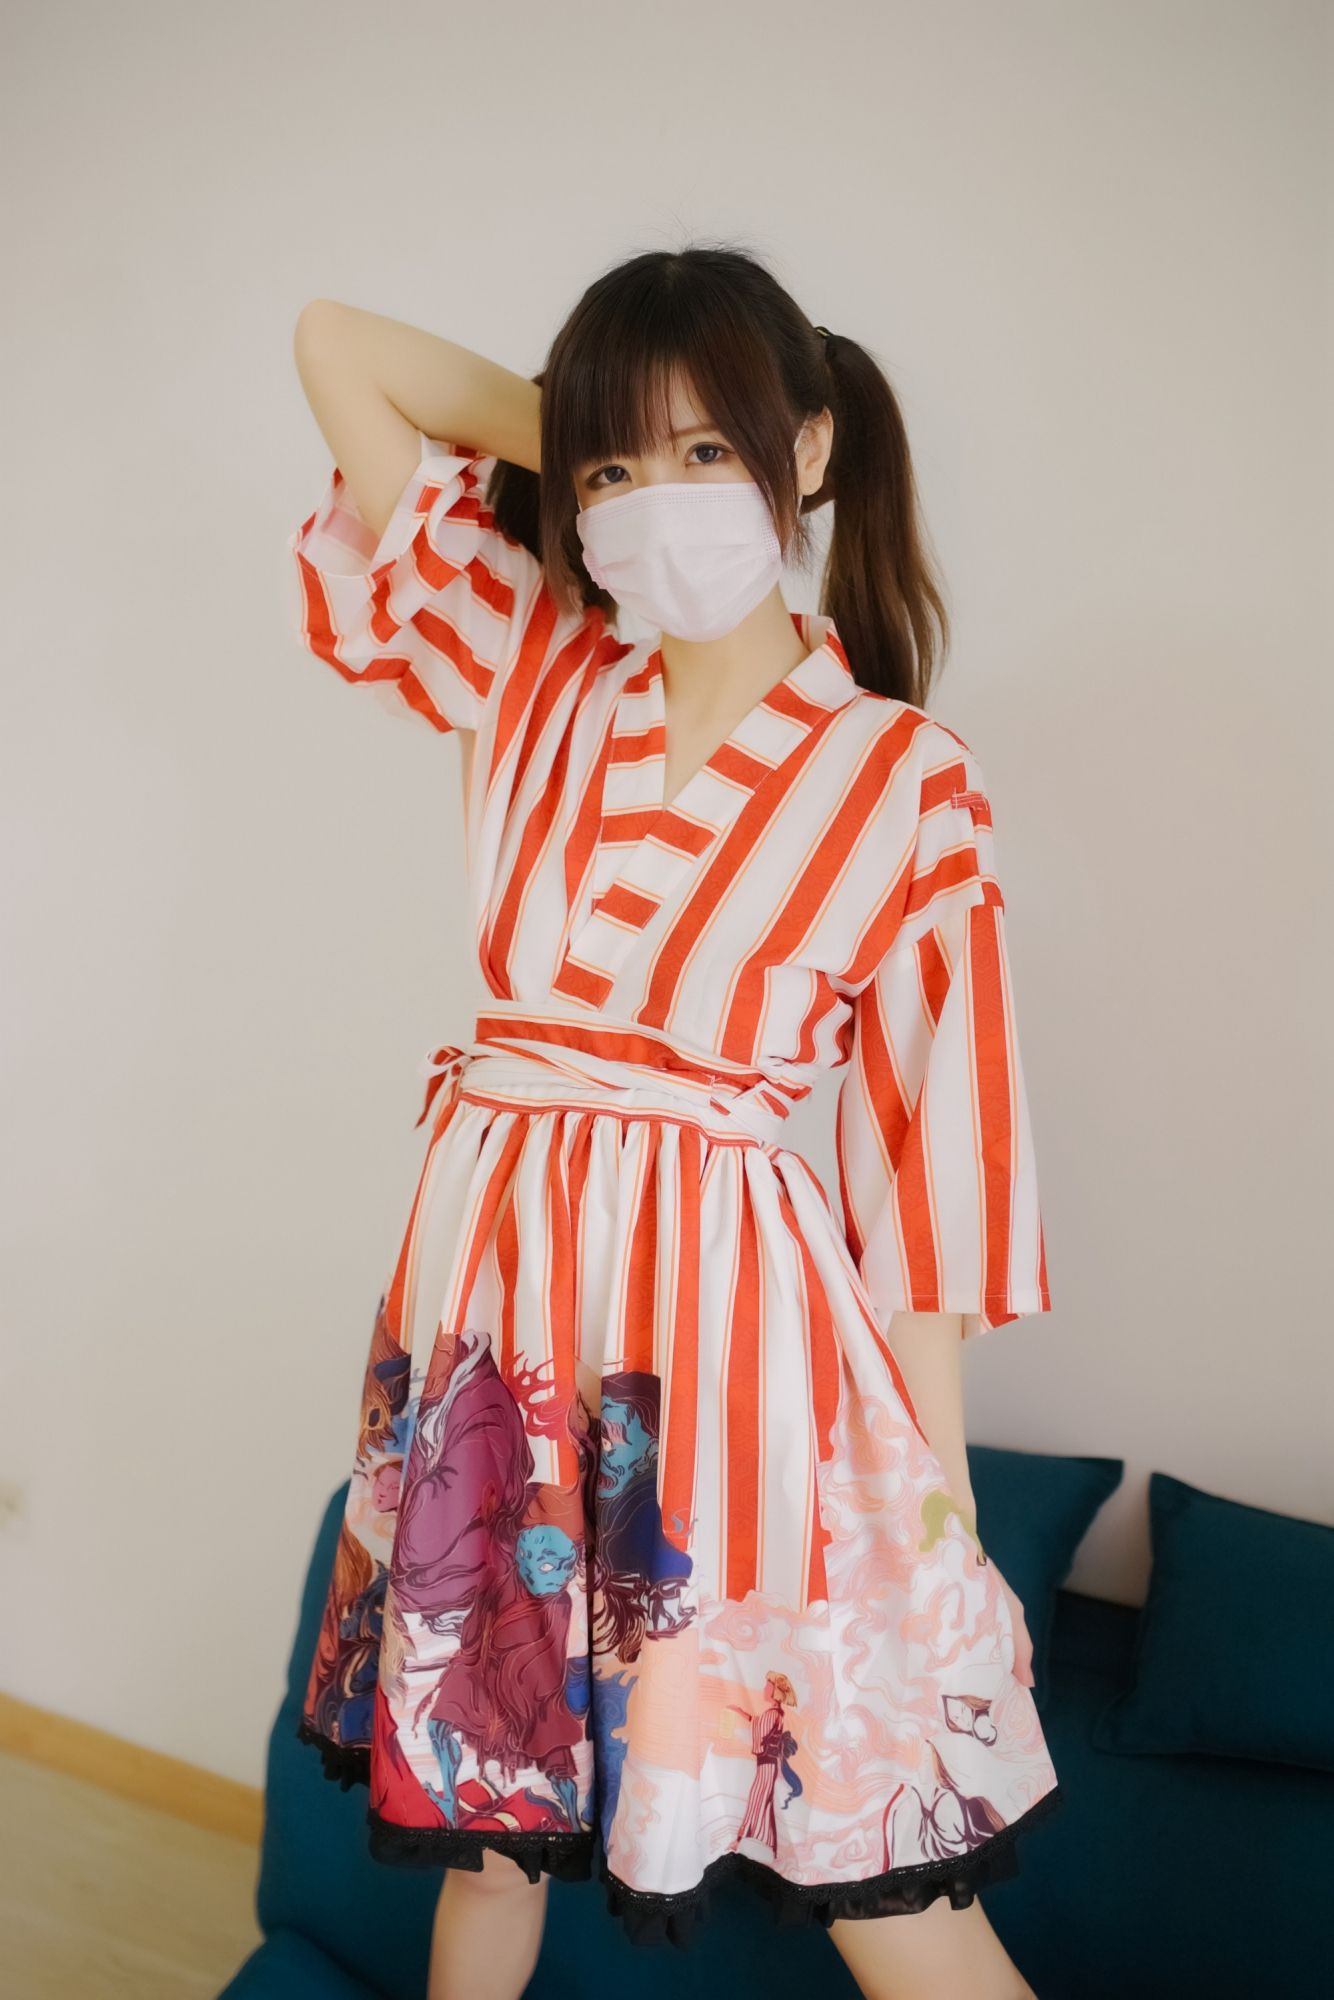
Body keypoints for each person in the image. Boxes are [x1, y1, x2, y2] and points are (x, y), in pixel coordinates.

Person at [286, 242, 1063, 2000]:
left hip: (730, 1360)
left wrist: (938, 1510)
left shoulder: (905, 778)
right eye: (614, 469)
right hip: (497, 1315)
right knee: (486, 1827)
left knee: (885, 1871)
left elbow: (929, 1174)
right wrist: (592, 437)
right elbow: (339, 345)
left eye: (709, 451)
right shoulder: (535, 662)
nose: (656, 505)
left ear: (808, 450)